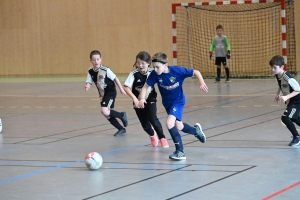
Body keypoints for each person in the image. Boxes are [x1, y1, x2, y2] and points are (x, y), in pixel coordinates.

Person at [138, 52, 208, 160]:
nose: (155, 69)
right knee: (179, 126)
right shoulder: (155, 74)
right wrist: (142, 99)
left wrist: (202, 83)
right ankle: (196, 131)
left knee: (169, 123)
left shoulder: (178, 71)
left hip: (178, 101)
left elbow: (196, 72)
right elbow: (145, 87)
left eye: (157, 67)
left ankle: (180, 151)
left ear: (165, 65)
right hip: (167, 103)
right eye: (154, 67)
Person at [124, 51, 169, 148]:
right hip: (138, 101)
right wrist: (135, 99)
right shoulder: (134, 74)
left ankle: (162, 138)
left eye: (143, 63)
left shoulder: (153, 72)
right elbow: (126, 87)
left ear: (149, 63)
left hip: (150, 99)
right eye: (138, 63)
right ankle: (152, 136)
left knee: (153, 119)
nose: (140, 65)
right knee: (145, 124)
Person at [85, 50, 128, 137]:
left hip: (110, 92)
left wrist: (121, 89)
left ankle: (121, 115)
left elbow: (115, 78)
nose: (96, 61)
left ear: (101, 59)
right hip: (102, 94)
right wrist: (87, 86)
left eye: (97, 59)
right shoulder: (90, 71)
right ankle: (121, 129)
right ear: (90, 60)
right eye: (94, 60)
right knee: (106, 114)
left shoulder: (105, 70)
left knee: (104, 110)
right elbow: (89, 81)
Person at [270, 55, 300, 146]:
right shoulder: (277, 75)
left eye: (275, 67)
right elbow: (280, 85)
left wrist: (286, 97)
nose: (272, 69)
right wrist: (277, 94)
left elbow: (298, 89)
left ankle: (297, 137)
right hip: (292, 101)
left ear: (282, 67)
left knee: (285, 117)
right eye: (271, 67)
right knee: (294, 118)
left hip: (297, 101)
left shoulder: (288, 77)